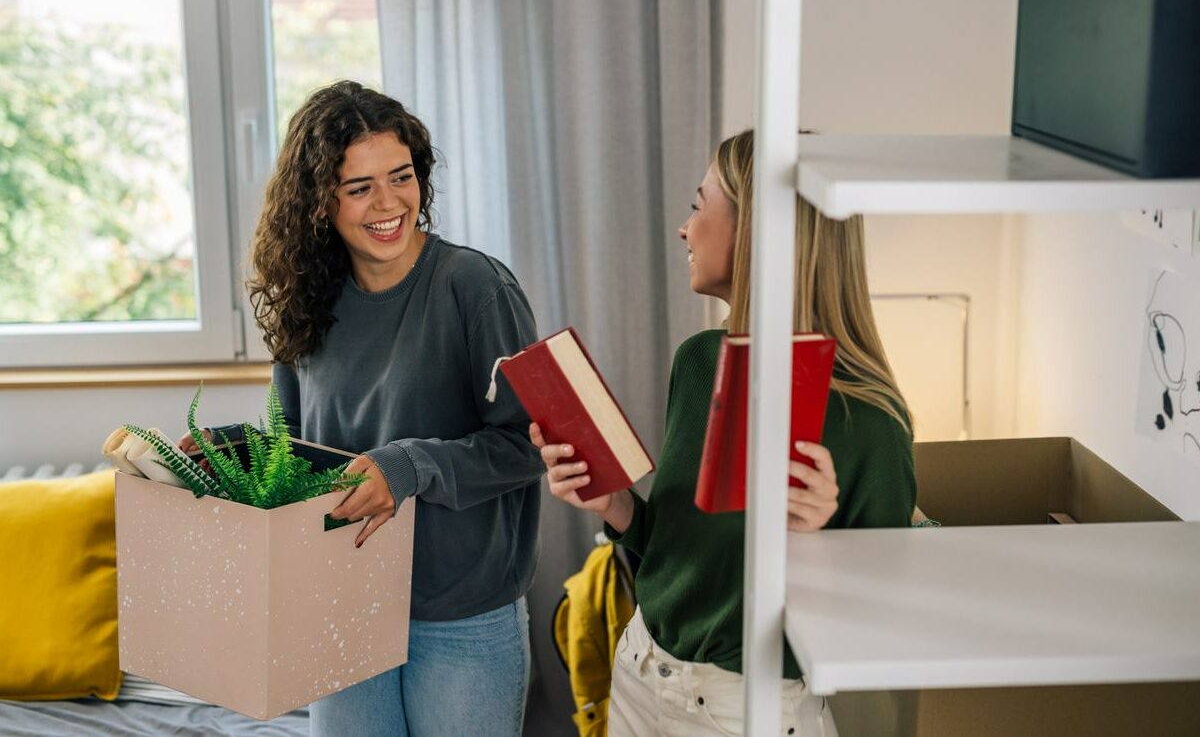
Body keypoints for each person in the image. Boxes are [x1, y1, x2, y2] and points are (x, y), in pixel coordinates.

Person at [180, 81, 542, 737]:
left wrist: (407, 466)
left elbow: (530, 443)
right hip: (339, 596)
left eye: (400, 177)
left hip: (461, 612)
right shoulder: (307, 304)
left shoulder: (475, 287)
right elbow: (297, 452)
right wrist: (228, 451)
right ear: (320, 201)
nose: (388, 203)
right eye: (359, 187)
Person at [534, 129, 917, 736]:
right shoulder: (699, 362)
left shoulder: (869, 423)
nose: (685, 229)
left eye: (699, 204)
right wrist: (615, 504)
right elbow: (674, 547)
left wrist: (818, 544)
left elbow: (878, 624)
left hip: (746, 711)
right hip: (637, 671)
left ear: (760, 229)